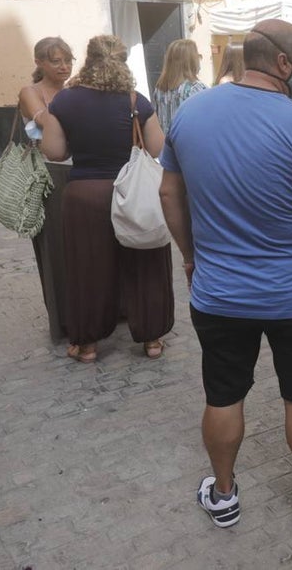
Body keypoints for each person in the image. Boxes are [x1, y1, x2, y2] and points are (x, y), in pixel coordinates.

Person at [159, 18, 292, 531]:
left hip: (218, 293)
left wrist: (189, 255)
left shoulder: (190, 113)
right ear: (284, 64)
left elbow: (169, 194)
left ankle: (223, 494)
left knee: (223, 393)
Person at [40, 35, 174, 363]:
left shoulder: (65, 101)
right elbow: (157, 148)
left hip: (85, 194)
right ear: (123, 61)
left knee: (88, 268)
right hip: (134, 191)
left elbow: (54, 151)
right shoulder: (135, 101)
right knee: (145, 261)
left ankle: (86, 345)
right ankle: (152, 339)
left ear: (88, 59)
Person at [17, 37, 74, 338]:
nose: (64, 66)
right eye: (56, 60)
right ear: (39, 62)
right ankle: (63, 316)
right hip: (49, 176)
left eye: (67, 59)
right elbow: (47, 120)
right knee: (55, 248)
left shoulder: (74, 90)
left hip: (80, 172)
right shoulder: (31, 92)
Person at [152, 38, 207, 133]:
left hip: (166, 144)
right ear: (192, 60)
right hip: (189, 144)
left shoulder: (159, 88)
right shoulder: (196, 88)